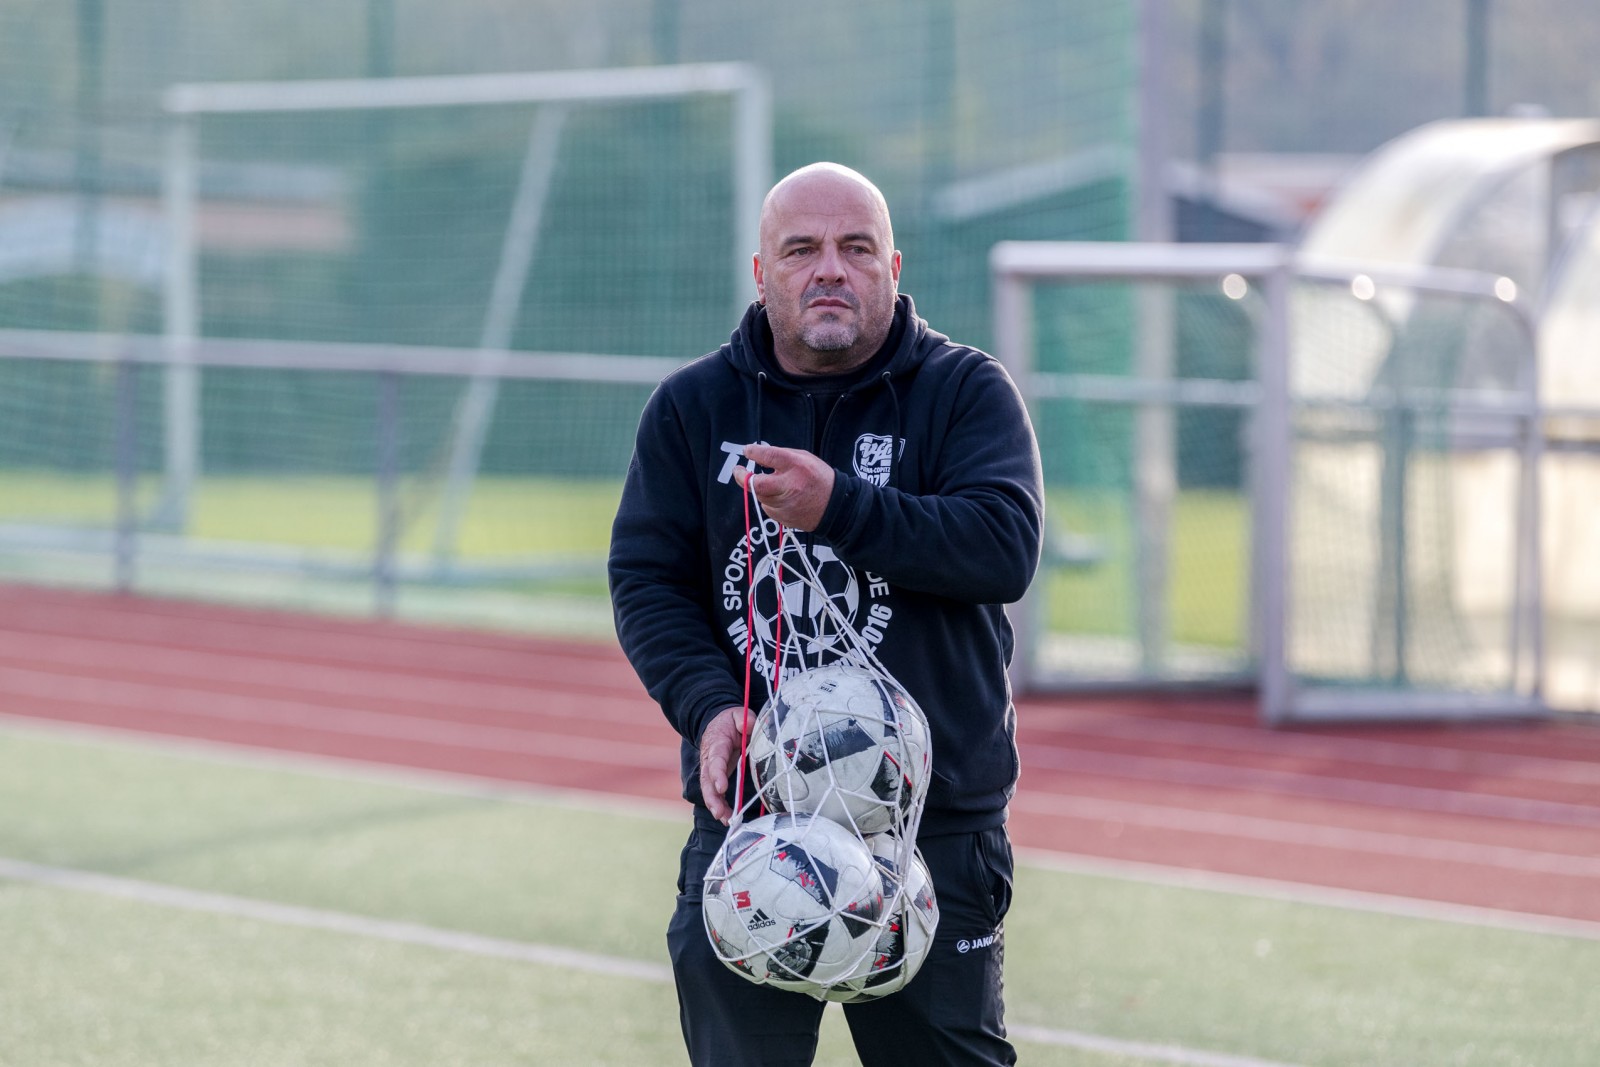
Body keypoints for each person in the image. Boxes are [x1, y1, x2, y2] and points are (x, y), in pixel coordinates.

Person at [608, 162, 1044, 1066]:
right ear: (763, 274)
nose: (829, 270)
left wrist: (840, 508)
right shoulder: (694, 408)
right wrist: (706, 705)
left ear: (891, 264)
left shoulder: (965, 391)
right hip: (755, 824)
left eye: (854, 249)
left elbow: (1004, 546)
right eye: (801, 250)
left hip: (933, 827)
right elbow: (647, 579)